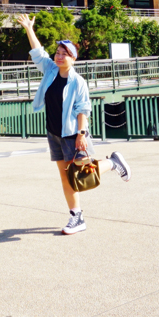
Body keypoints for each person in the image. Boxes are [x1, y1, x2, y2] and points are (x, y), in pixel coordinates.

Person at [16, 14, 131, 235]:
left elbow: (83, 109)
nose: (59, 57)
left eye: (64, 54)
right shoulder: (50, 70)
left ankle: (112, 163)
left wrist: (81, 133)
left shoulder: (78, 82)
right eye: (57, 53)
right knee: (65, 176)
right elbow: (38, 53)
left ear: (73, 58)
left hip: (71, 133)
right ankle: (76, 217)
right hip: (54, 133)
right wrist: (29, 28)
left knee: (79, 174)